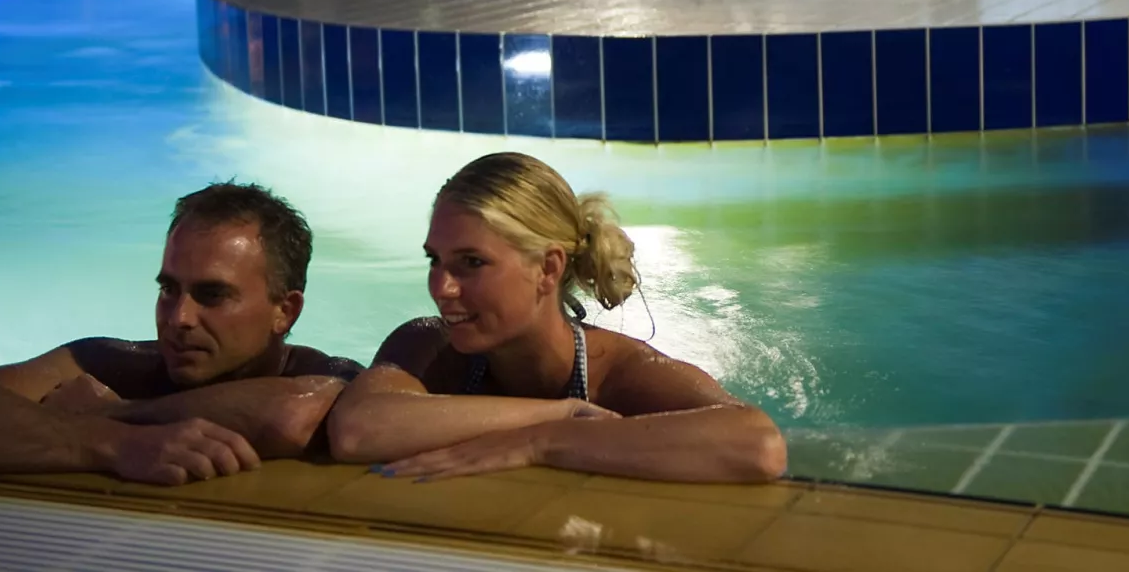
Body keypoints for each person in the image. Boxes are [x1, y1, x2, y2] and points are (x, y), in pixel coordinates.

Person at [328, 152, 787, 484]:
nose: (441, 288)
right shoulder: (428, 348)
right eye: (435, 261)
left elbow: (758, 444)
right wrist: (561, 413)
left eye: (471, 263)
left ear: (547, 269)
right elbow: (357, 430)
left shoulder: (618, 372)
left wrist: (541, 442)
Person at [0, 183, 362, 486]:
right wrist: (111, 444)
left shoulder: (327, 376)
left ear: (284, 311)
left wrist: (121, 412)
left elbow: (296, 414)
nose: (179, 318)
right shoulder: (108, 364)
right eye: (169, 289)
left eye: (212, 294)